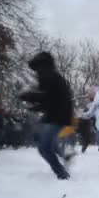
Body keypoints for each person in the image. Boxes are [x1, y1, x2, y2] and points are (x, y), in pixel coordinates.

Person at [20, 52, 74, 180]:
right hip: (55, 114)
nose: (36, 72)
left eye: (36, 69)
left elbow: (49, 98)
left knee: (44, 148)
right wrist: (36, 106)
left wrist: (29, 96)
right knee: (42, 138)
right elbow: (51, 100)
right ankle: (65, 155)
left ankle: (62, 174)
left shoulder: (48, 76)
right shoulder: (51, 75)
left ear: (41, 65)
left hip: (58, 116)